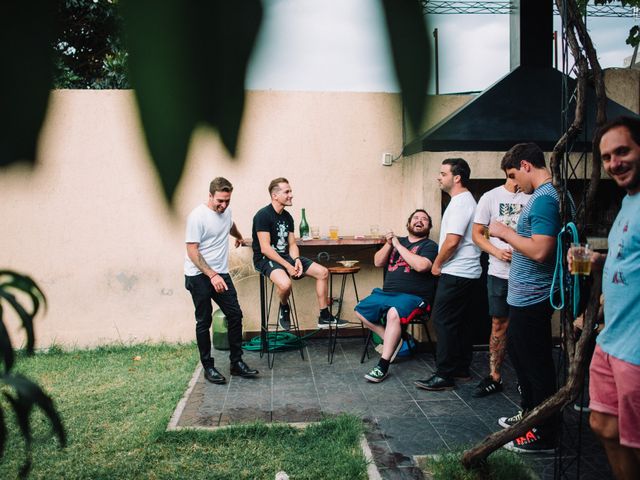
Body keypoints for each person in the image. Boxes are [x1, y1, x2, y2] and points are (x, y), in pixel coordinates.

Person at [489, 143, 570, 453]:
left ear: (525, 166)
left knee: (537, 367)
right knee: (522, 362)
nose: (514, 184)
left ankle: (545, 435)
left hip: (533, 298)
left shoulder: (546, 199)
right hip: (522, 296)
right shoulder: (542, 197)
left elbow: (540, 250)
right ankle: (529, 416)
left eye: (513, 175)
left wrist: (504, 232)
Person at [574, 116, 640, 479]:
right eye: (607, 157)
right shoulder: (629, 201)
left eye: (623, 151)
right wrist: (598, 260)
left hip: (636, 349)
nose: (614, 163)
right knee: (603, 424)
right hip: (612, 337)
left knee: (635, 439)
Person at [415, 158, 481, 391]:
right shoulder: (464, 201)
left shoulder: (461, 203)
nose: (438, 177)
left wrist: (437, 264)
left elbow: (452, 241)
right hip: (467, 273)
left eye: (443, 173)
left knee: (442, 321)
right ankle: (461, 369)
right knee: (460, 323)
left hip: (456, 272)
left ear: (457, 177)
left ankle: (444, 375)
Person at [184, 177, 258, 384]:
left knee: (235, 315)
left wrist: (239, 235)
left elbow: (230, 224)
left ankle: (236, 363)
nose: (223, 205)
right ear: (210, 196)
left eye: (227, 201)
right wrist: (212, 275)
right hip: (198, 275)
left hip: (220, 274)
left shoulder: (226, 212)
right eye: (219, 201)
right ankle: (208, 366)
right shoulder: (197, 217)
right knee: (204, 321)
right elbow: (192, 251)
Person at [252, 177, 347, 330]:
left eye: (291, 191)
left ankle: (324, 316)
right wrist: (287, 266)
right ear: (275, 195)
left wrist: (295, 260)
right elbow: (265, 248)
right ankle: (284, 306)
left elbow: (292, 244)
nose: (291, 195)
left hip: (286, 257)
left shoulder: (287, 217)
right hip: (266, 259)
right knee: (285, 284)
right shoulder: (263, 215)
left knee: (322, 272)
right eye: (287, 192)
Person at [355, 209, 438, 383]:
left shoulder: (429, 246)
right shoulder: (395, 242)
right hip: (388, 294)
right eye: (416, 218)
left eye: (424, 219)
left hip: (414, 297)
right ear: (408, 224)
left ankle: (382, 366)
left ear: (429, 226)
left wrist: (399, 246)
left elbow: (422, 266)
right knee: (360, 309)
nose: (419, 221)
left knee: (394, 313)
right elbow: (378, 262)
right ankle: (393, 338)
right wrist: (389, 244)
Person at [471, 175, 530, 397]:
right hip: (498, 272)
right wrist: (496, 251)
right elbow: (478, 233)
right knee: (498, 323)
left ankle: (527, 378)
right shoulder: (491, 197)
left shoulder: (535, 196)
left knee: (526, 327)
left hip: (528, 273)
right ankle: (495, 377)